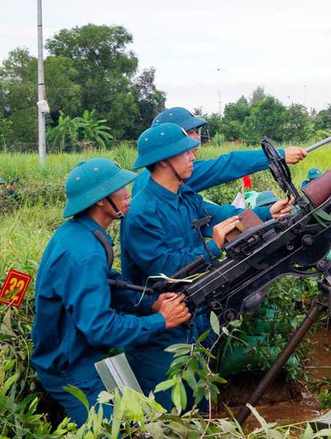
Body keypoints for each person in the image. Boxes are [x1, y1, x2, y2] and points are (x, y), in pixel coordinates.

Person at [120, 123, 295, 411]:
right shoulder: (142, 211)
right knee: (170, 413)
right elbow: (164, 271)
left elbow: (222, 217)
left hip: (195, 318)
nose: (193, 155)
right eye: (185, 152)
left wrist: (267, 213)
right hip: (161, 332)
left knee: (201, 407)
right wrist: (212, 246)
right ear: (164, 160)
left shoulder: (185, 196)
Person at [30, 158, 191, 425]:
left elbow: (108, 283)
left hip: (81, 357)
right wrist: (160, 321)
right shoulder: (84, 253)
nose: (128, 192)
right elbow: (99, 326)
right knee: (111, 430)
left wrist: (150, 302)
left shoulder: (83, 233)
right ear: (100, 201)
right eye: (119, 188)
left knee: (134, 421)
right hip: (69, 369)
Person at [132, 107, 307, 196]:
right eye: (190, 132)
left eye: (196, 132)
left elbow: (198, 208)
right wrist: (278, 155)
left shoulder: (147, 177)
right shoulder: (171, 174)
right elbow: (226, 165)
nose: (197, 138)